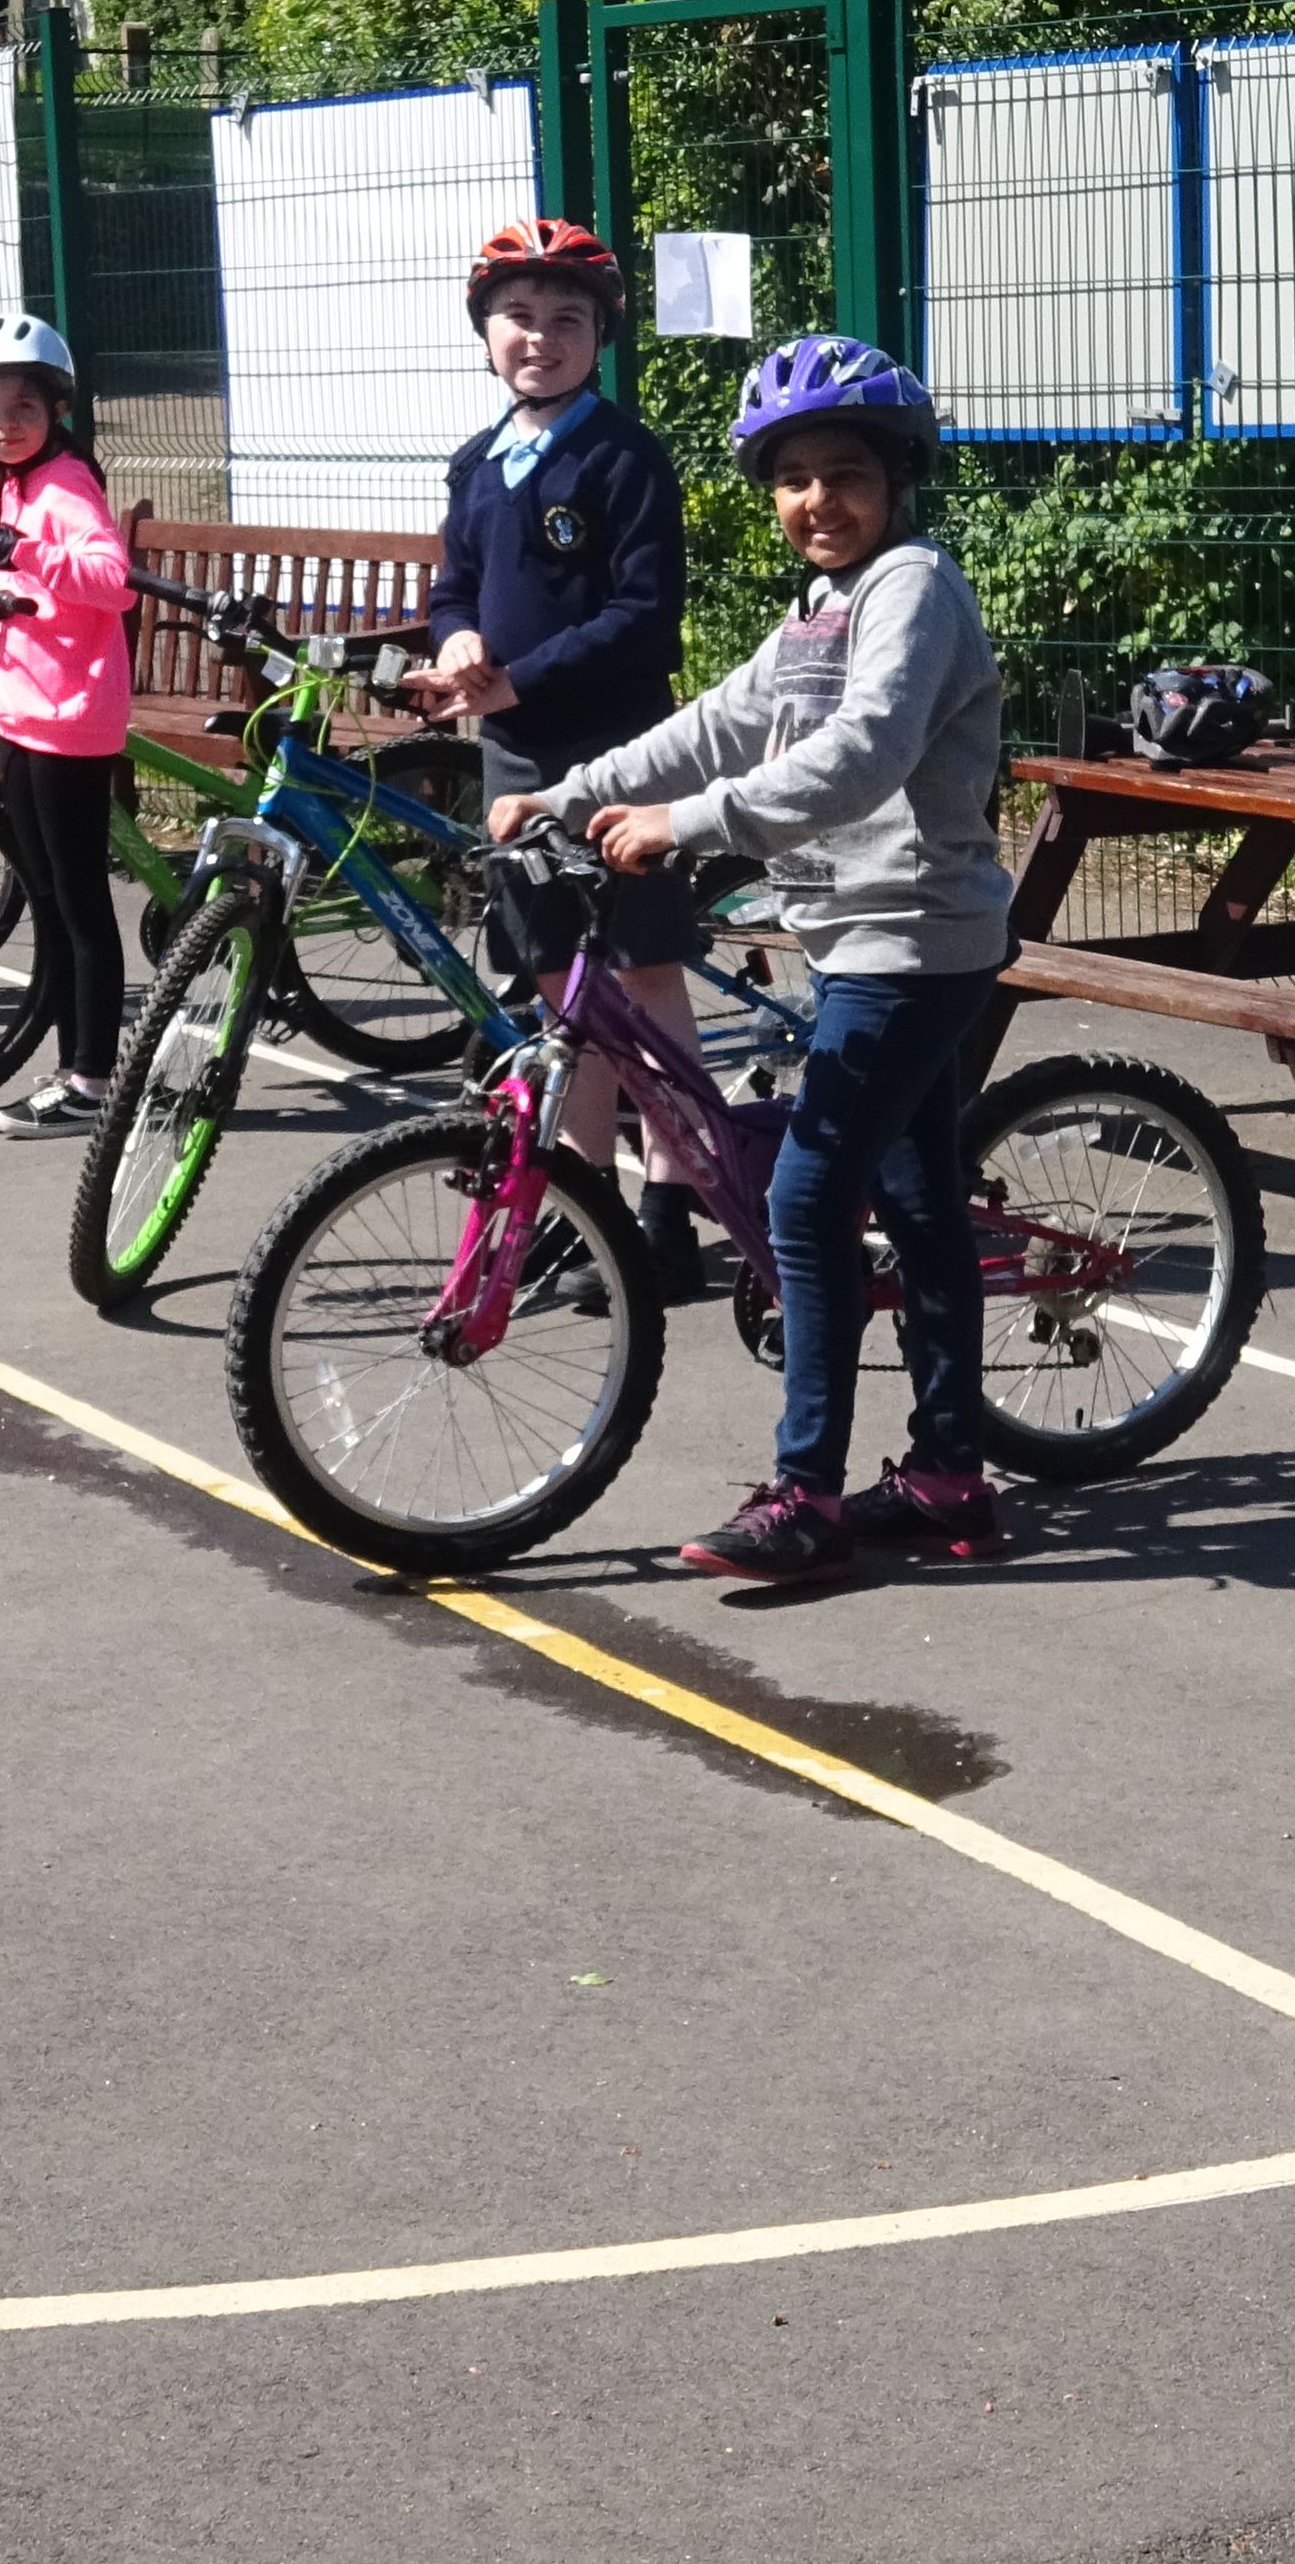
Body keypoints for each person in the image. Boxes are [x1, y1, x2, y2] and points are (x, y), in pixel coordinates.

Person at [495, 335, 1014, 1586]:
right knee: (919, 1195)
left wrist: (694, 824)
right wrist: (572, 791)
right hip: (853, 938)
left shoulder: (914, 590)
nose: (817, 501)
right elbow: (718, 724)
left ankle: (805, 1495)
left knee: (804, 1196)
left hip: (915, 938)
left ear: (898, 481)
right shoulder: (817, 610)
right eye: (793, 478)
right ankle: (948, 1470)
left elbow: (866, 752)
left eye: (845, 473)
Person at [406, 220, 713, 1292]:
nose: (541, 338)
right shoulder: (478, 463)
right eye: (519, 319)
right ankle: (587, 1205)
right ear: (486, 333)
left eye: (567, 322)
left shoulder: (624, 457)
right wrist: (456, 642)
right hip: (514, 757)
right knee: (559, 988)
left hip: (616, 752)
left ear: (600, 337)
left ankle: (671, 1204)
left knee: (642, 974)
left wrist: (521, 677)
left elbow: (646, 616)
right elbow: (455, 585)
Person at [0, 313, 137, 1135]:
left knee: (80, 904)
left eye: (23, 406)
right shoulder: (14, 487)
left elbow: (110, 581)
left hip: (71, 719)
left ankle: (92, 1083)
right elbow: (36, 597)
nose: (4, 423)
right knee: (48, 900)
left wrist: (15, 550)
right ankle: (67, 1068)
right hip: (23, 714)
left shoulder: (64, 487)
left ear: (56, 410)